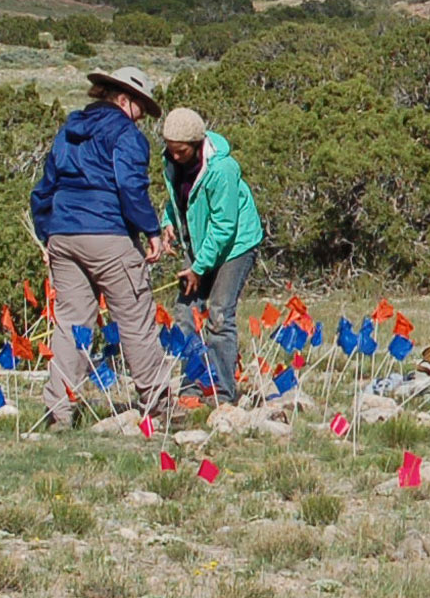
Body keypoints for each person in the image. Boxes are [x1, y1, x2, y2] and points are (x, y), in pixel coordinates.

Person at [29, 67, 176, 429]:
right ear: (125, 99)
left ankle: (58, 412)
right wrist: (151, 230)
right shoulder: (126, 134)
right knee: (136, 319)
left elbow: (45, 185)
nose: (142, 118)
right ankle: (159, 406)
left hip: (63, 233)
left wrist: (48, 231)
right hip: (108, 232)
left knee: (70, 325)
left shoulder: (69, 129)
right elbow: (130, 187)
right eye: (141, 108)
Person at [161, 107, 265, 408]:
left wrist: (198, 267)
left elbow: (224, 226)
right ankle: (191, 386)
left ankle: (222, 390)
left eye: (181, 151)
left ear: (196, 144)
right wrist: (168, 223)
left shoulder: (222, 169)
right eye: (170, 150)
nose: (175, 157)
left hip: (235, 245)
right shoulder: (170, 162)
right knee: (185, 312)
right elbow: (179, 200)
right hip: (200, 242)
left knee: (218, 314)